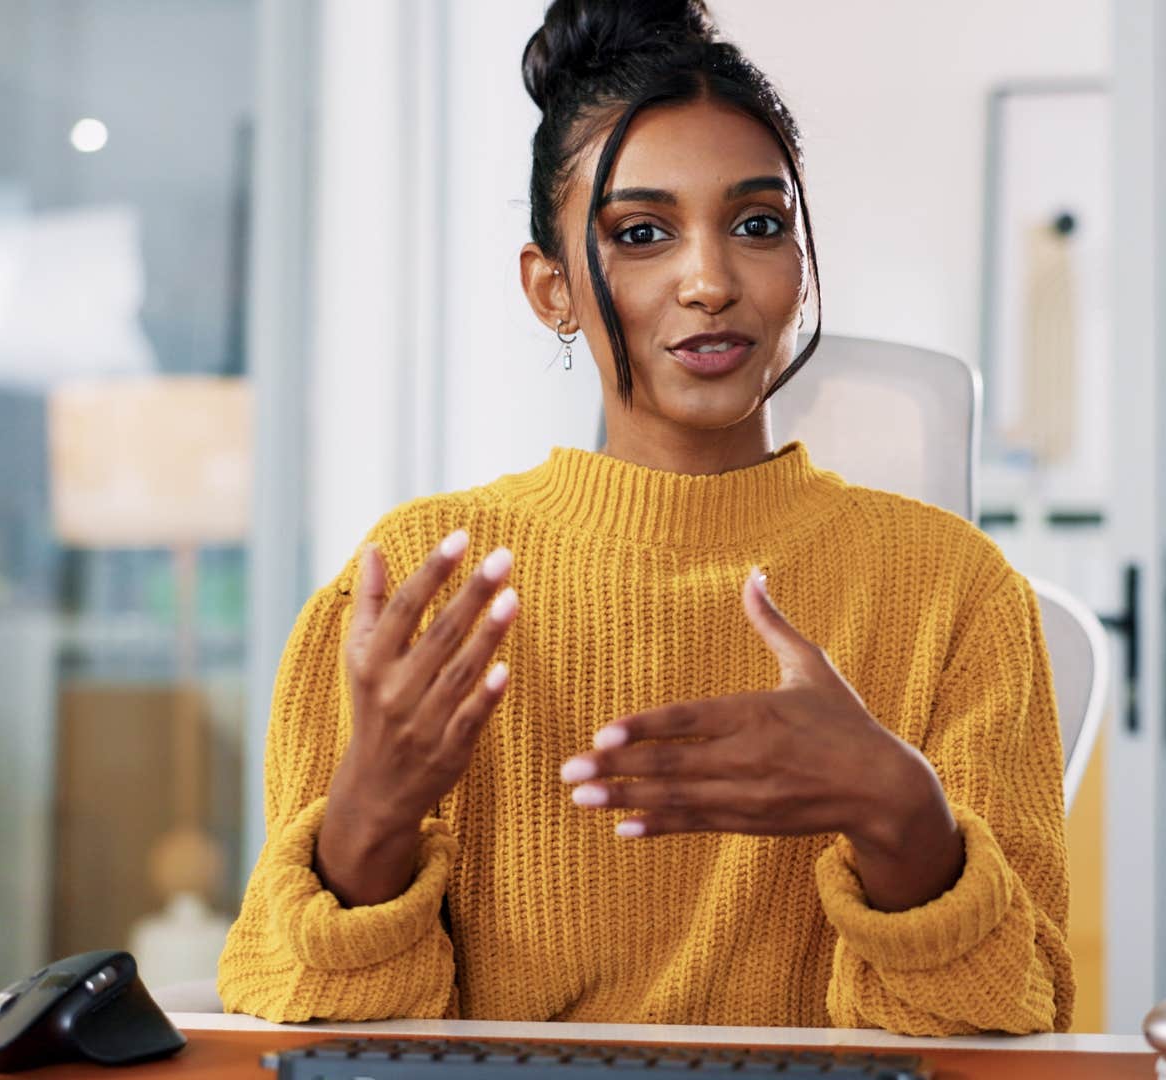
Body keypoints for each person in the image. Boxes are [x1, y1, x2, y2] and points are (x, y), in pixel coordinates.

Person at [217, 0, 1075, 1035]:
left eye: (758, 225)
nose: (709, 281)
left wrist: (901, 815)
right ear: (552, 289)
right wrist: (372, 811)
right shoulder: (416, 583)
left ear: (799, 269)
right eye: (641, 234)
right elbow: (293, 1010)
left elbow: (1017, 1022)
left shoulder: (957, 590)